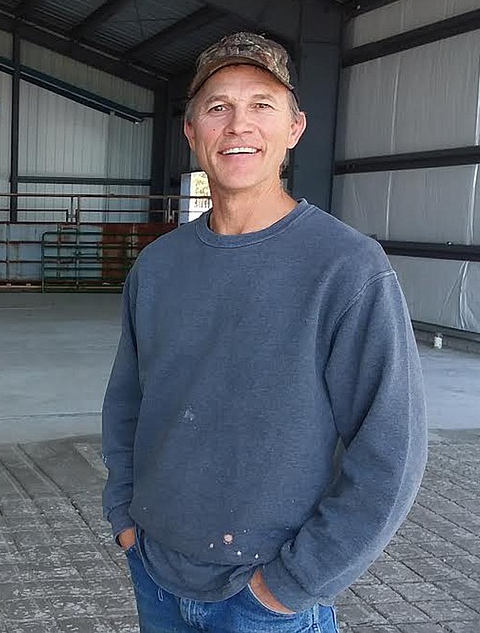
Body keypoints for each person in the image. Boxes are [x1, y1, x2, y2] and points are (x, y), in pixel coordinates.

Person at [101, 31, 428, 632]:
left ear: (294, 128)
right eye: (218, 107)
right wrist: (125, 515)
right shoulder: (159, 266)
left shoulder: (347, 268)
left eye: (261, 105)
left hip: (266, 601)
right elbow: (128, 404)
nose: (238, 125)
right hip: (156, 574)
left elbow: (391, 450)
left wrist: (288, 587)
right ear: (191, 130)